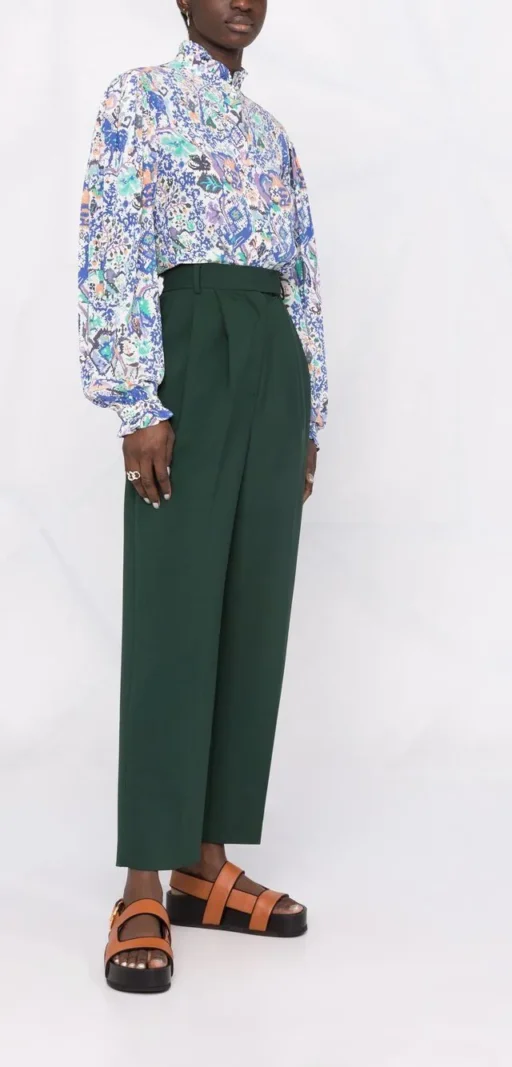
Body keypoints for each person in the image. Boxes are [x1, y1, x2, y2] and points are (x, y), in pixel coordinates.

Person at [77, 0, 328, 993]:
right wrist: (136, 398)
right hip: (189, 348)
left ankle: (205, 862)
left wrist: (309, 414)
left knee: (251, 608)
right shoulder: (138, 100)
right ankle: (143, 875)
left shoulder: (272, 134)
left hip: (271, 355)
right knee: (174, 609)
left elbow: (301, 276)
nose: (242, 2)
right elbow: (112, 241)